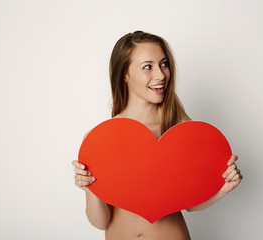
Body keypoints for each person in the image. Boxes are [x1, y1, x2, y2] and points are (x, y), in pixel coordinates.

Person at [72, 31, 243, 240]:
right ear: (124, 74)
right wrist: (91, 187)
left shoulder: (180, 131)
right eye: (147, 67)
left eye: (163, 64)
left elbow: (188, 205)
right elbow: (100, 222)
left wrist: (222, 189)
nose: (161, 75)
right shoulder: (100, 138)